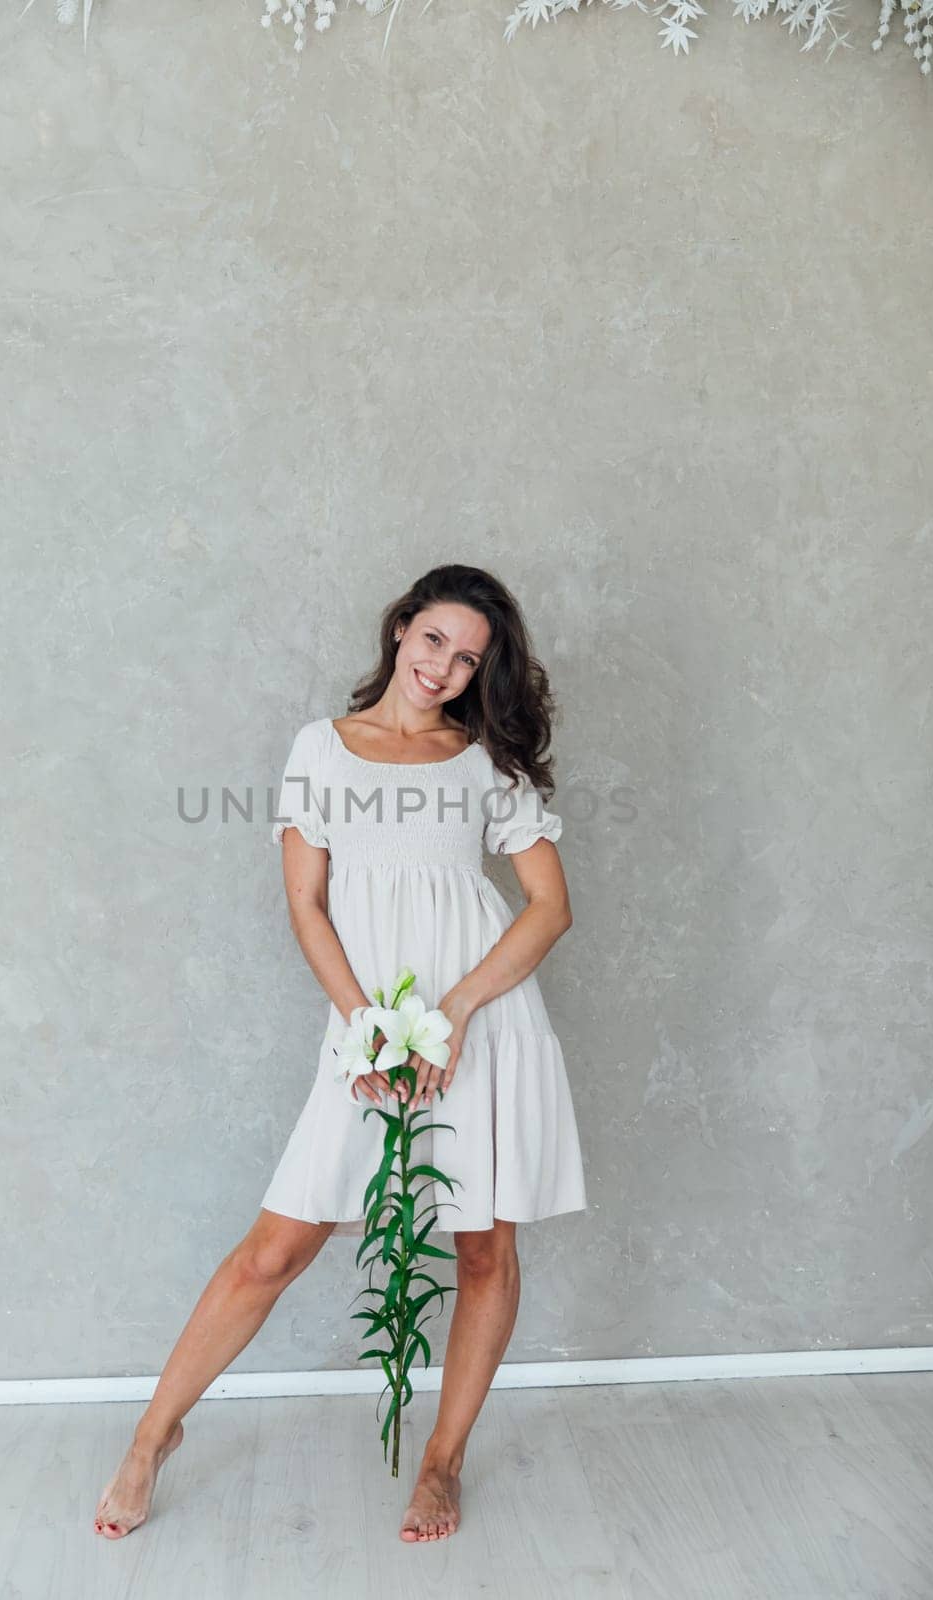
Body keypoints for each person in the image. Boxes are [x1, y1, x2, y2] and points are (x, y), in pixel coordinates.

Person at [94, 562, 588, 1545]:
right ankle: (152, 1435)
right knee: (275, 1247)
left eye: (468, 658)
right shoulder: (320, 750)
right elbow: (306, 904)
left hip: (480, 1025)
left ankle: (440, 1462)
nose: (443, 666)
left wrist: (450, 1012)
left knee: (484, 1243)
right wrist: (367, 1026)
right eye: (433, 639)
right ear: (400, 628)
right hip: (367, 1027)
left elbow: (549, 907)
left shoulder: (483, 764)